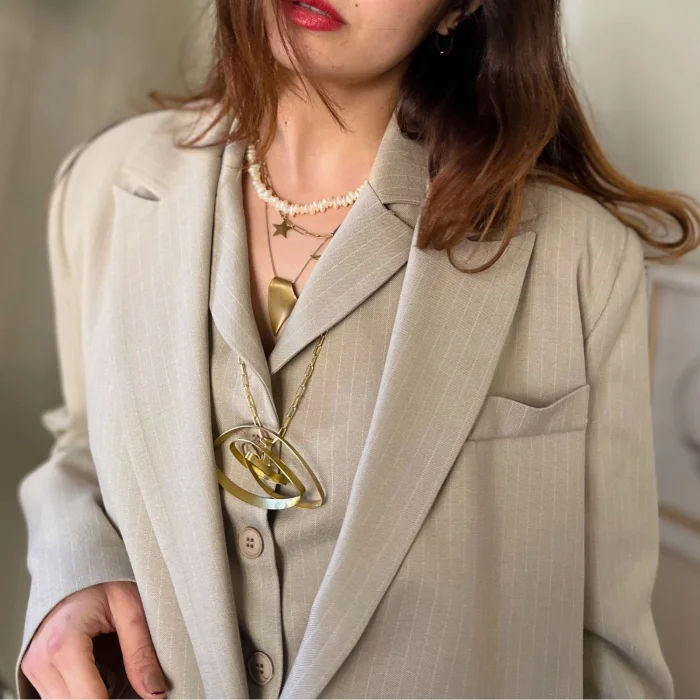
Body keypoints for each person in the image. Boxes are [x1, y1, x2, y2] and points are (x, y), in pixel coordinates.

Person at [15, 0, 700, 698]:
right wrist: (72, 565)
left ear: (459, 9)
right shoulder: (105, 183)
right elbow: (86, 442)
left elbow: (612, 658)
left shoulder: (579, 260)